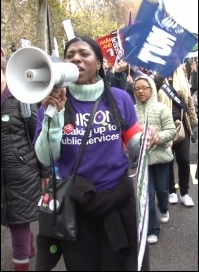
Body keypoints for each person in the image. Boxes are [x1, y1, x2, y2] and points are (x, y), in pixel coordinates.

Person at [33, 36, 159, 271]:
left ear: (99, 63)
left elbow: (131, 140)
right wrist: (54, 115)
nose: (76, 59)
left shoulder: (119, 98)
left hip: (117, 203)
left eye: (84, 54)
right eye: (70, 56)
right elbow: (45, 156)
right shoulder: (52, 103)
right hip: (75, 205)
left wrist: (145, 138)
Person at [1, 57, 51, 271]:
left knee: (18, 221)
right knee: (12, 216)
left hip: (21, 171)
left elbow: (38, 135)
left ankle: (20, 261)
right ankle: (27, 245)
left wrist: (45, 169)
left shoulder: (21, 96)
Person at [133, 75, 176, 244]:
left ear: (151, 88)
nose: (141, 91)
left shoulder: (161, 109)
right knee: (147, 196)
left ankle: (164, 208)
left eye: (144, 87)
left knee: (162, 191)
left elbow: (171, 131)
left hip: (161, 158)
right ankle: (152, 229)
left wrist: (156, 137)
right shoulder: (133, 111)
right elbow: (128, 134)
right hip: (143, 161)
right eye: (137, 89)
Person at [154, 65, 198, 206]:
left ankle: (184, 193)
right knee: (168, 160)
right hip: (165, 126)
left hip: (182, 126)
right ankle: (172, 191)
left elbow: (189, 102)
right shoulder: (158, 79)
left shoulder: (182, 79)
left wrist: (194, 121)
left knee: (184, 159)